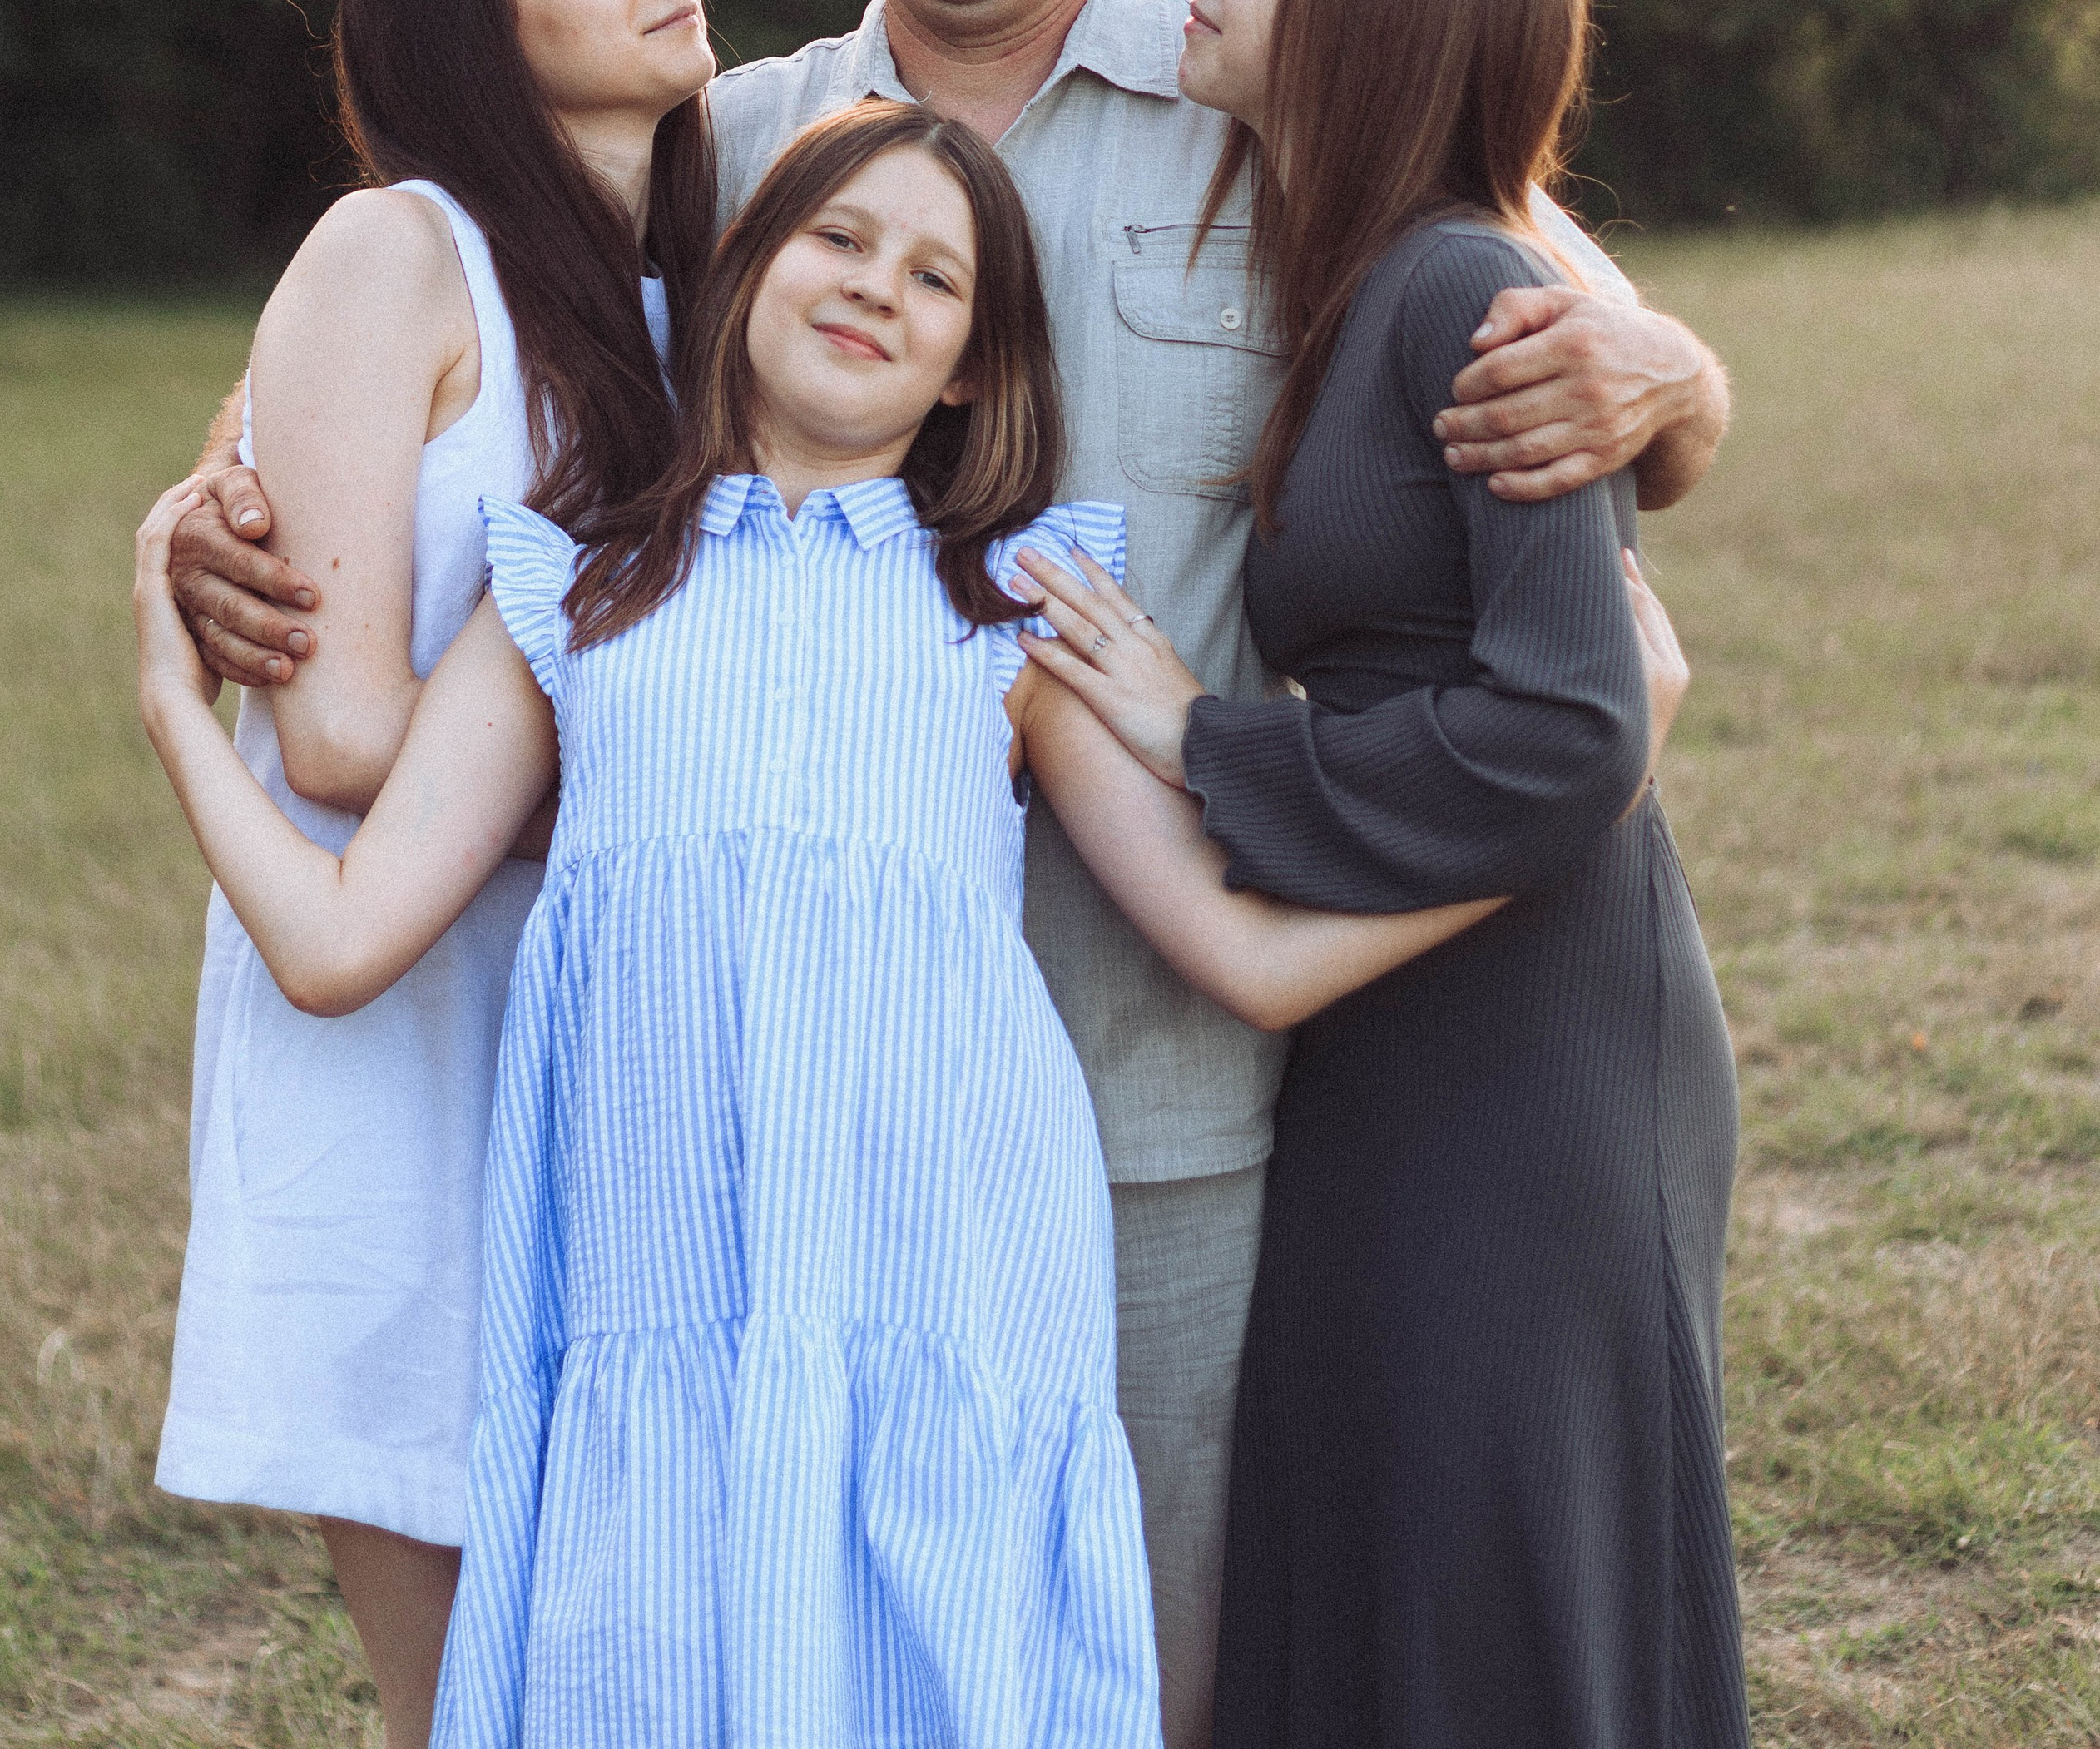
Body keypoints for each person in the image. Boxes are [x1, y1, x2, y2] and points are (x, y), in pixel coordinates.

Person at [169, 0, 1731, 1747]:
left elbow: (1565, 298)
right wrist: (233, 511)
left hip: (1187, 1094)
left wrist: (1682, 369)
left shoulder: (1264, 100)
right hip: (759, 1116)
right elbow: (479, 358)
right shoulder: (751, 145)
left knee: (1118, 1671)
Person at [136, 101, 1505, 1748]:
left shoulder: (1011, 605)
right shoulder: (574, 587)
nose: (876, 286)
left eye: (935, 279)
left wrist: (1535, 827)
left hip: (943, 1289)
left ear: (969, 373)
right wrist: (172, 708)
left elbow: (1246, 955)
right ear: (741, 275)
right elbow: (336, 943)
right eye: (839, 238)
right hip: (650, 1296)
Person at [1013, 0, 1750, 1748]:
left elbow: (1577, 718)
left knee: (1487, 1576)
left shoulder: (1456, 287)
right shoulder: (1364, 266)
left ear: (1368, 13)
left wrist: (1201, 739)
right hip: (1380, 1021)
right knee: (1385, 1564)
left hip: (1526, 1047)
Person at [153, 0, 716, 1749]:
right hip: (406, 1031)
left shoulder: (710, 284)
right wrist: (678, 813)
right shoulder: (399, 254)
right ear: (477, 36)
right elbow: (336, 722)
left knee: (629, 1651)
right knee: (474, 1690)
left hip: (615, 1034)